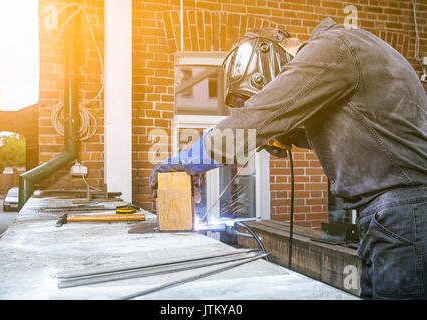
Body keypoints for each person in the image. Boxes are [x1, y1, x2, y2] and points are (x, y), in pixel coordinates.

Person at [149, 17, 427, 299]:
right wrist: (290, 135)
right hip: (392, 215)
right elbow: (364, 132)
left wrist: (188, 160)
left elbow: (256, 117)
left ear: (270, 66)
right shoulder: (351, 47)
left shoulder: (332, 47)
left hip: (402, 214)